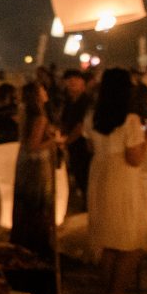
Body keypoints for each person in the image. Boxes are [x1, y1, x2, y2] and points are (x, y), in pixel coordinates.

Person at [86, 68, 147, 294]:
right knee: (130, 241)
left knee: (108, 239)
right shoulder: (131, 120)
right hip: (122, 179)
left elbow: (90, 146)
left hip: (100, 175)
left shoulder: (92, 117)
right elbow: (134, 158)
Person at [10, 81, 61, 259]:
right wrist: (54, 141)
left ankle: (24, 243)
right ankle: (37, 245)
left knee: (26, 204)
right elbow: (33, 146)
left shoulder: (26, 114)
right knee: (38, 204)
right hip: (36, 166)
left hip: (25, 164)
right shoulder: (40, 117)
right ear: (37, 95)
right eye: (42, 90)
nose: (45, 92)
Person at [60, 69, 93, 207]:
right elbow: (64, 122)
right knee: (79, 174)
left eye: (75, 79)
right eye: (69, 80)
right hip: (73, 145)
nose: (72, 82)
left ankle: (89, 204)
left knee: (86, 175)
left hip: (84, 145)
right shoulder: (69, 102)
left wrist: (66, 142)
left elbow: (81, 126)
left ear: (82, 83)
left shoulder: (86, 101)